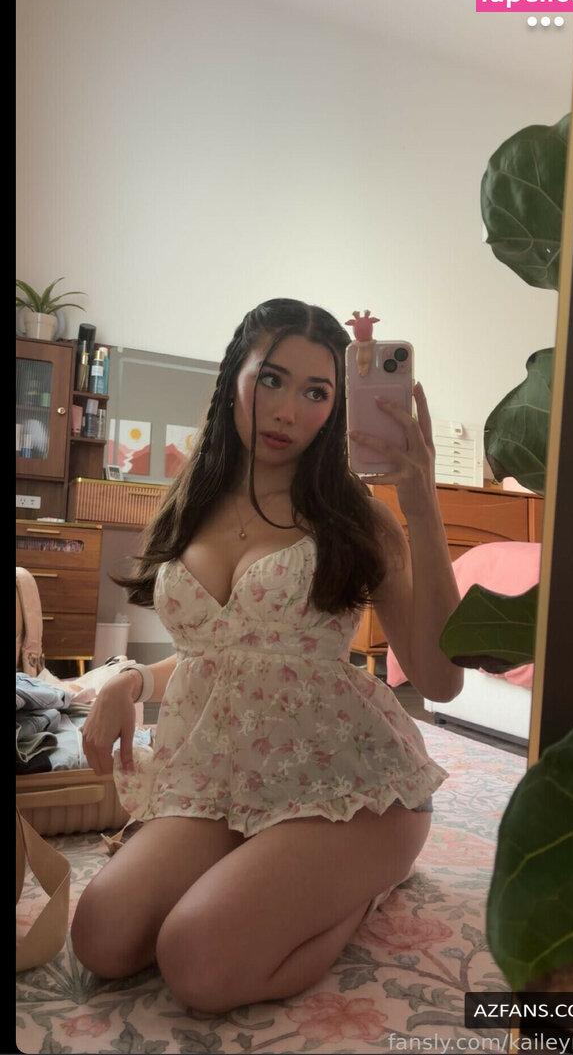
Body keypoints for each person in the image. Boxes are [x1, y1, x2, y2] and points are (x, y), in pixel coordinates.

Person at [71, 298, 463, 1013]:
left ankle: (360, 891)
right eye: (273, 379)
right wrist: (129, 680)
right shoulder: (193, 501)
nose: (288, 410)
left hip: (353, 790)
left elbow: (440, 680)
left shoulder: (356, 519)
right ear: (235, 377)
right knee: (102, 937)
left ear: (338, 406)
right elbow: (222, 653)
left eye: (317, 392)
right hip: (225, 780)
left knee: (198, 962)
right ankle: (258, 866)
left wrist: (421, 502)